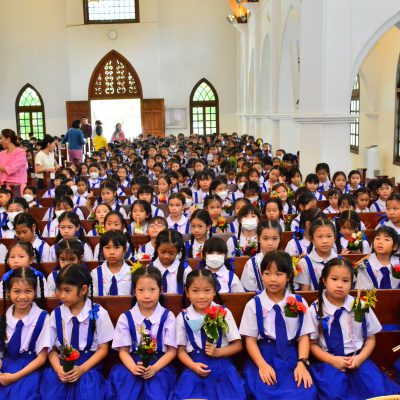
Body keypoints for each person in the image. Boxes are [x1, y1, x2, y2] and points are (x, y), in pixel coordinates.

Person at [309, 258, 400, 399]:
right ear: (324, 281)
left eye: (345, 280)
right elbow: (312, 344)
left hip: (358, 360)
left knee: (376, 391)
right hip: (329, 363)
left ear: (352, 283)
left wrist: (360, 358)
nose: (340, 285)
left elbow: (370, 338)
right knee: (333, 394)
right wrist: (332, 360)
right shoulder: (315, 308)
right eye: (334, 279)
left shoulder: (360, 305)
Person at [239, 251, 317, 400]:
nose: (272, 279)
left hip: (292, 355)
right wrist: (262, 365)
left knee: (305, 392)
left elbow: (304, 337)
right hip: (263, 355)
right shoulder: (253, 305)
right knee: (263, 391)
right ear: (261, 275)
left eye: (279, 274)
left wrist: (302, 363)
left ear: (288, 276)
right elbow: (250, 340)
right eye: (267, 273)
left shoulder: (299, 301)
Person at [40, 264, 114, 399]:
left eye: (67, 290)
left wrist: (82, 369)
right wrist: (58, 369)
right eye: (59, 290)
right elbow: (50, 348)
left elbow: (103, 349)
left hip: (88, 365)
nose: (62, 295)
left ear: (83, 290)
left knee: (88, 391)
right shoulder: (56, 314)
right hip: (62, 364)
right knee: (53, 391)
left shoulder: (99, 313)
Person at [173, 268, 246, 400]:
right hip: (195, 366)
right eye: (195, 291)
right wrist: (193, 366)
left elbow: (237, 345)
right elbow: (181, 351)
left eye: (207, 290)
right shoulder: (183, 316)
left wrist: (218, 352)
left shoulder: (223, 312)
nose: (201, 296)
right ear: (187, 292)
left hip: (222, 365)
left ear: (214, 291)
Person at [107, 267, 177, 400]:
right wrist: (133, 368)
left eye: (152, 289)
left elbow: (172, 351)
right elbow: (123, 351)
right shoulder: (126, 317)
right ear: (134, 291)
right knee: (127, 391)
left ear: (160, 290)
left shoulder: (168, 316)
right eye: (141, 290)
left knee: (157, 391)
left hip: (159, 366)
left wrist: (154, 368)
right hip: (132, 366)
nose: (147, 295)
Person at [0, 267, 49, 399]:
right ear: (8, 292)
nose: (22, 296)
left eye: (28, 291)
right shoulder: (4, 318)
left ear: (34, 292)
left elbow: (42, 358)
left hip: (29, 369)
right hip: (6, 365)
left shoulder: (42, 318)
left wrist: (13, 377)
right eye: (16, 291)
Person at [295, 219, 337, 291]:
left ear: (334, 238)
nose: (325, 241)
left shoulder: (341, 261)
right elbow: (305, 293)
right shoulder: (304, 263)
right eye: (320, 236)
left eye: (329, 236)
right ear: (312, 239)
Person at [241, 220, 282, 292]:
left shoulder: (285, 261)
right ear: (258, 239)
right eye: (265, 238)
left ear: (280, 239)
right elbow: (248, 293)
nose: (270, 243)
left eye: (274, 238)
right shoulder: (251, 264)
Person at [150, 229, 191, 294]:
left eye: (171, 253)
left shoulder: (185, 269)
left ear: (178, 251)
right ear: (156, 248)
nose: (166, 256)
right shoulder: (149, 269)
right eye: (163, 252)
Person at [92, 230, 131, 296]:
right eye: (107, 248)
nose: (112, 252)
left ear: (125, 249)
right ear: (102, 249)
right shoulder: (95, 274)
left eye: (117, 247)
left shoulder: (132, 273)